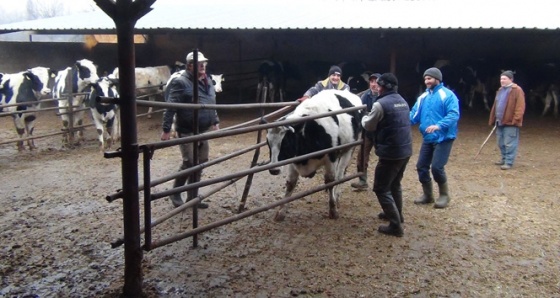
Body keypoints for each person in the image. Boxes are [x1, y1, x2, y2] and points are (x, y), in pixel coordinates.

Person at [161, 51, 220, 208]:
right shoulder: (181, 82)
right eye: (198, 63)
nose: (202, 66)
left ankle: (193, 197)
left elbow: (211, 101)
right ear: (189, 66)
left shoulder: (207, 80)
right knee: (190, 162)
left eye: (204, 63)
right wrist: (166, 129)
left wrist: (215, 120)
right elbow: (171, 106)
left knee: (201, 161)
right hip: (187, 129)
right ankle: (176, 193)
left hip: (203, 129)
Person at [362, 73, 412, 237]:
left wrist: (362, 118)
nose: (377, 87)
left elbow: (369, 125)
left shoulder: (380, 104)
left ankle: (395, 226)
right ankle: (397, 214)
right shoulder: (402, 101)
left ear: (383, 87)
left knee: (381, 188)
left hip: (391, 152)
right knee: (395, 183)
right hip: (405, 150)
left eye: (379, 84)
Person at [410, 67, 460, 209]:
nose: (427, 81)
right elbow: (413, 115)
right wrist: (401, 123)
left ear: (437, 79)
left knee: (437, 167)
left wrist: (439, 125)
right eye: (425, 79)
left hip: (444, 137)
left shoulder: (447, 95)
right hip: (428, 137)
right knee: (421, 166)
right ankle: (428, 195)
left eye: (429, 78)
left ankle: (444, 195)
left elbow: (453, 114)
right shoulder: (423, 97)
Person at [488, 70, 526, 170]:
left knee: (510, 143)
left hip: (510, 122)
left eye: (504, 79)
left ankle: (509, 162)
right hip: (500, 121)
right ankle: (503, 159)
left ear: (511, 79)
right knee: (500, 142)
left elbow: (520, 106)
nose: (502, 81)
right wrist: (494, 117)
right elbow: (496, 105)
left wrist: (516, 119)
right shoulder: (500, 90)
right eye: (501, 79)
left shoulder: (517, 90)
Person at [351, 72, 381, 190]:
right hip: (368, 131)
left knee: (383, 156)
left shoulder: (384, 95)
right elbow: (360, 111)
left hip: (381, 132)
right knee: (362, 156)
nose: (374, 84)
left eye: (376, 82)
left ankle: (382, 183)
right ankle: (363, 181)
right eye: (372, 81)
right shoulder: (365, 95)